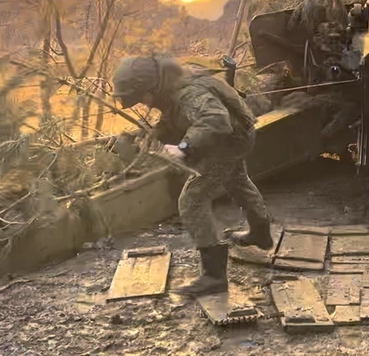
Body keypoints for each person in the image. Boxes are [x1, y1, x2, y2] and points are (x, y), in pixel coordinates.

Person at [111, 54, 273, 297]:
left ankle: (214, 277)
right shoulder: (172, 83)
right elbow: (173, 113)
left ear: (152, 87)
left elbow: (216, 120)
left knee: (192, 200)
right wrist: (157, 133)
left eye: (142, 96)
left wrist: (184, 148)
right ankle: (261, 233)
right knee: (238, 181)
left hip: (227, 141)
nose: (143, 103)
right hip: (237, 136)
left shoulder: (189, 93)